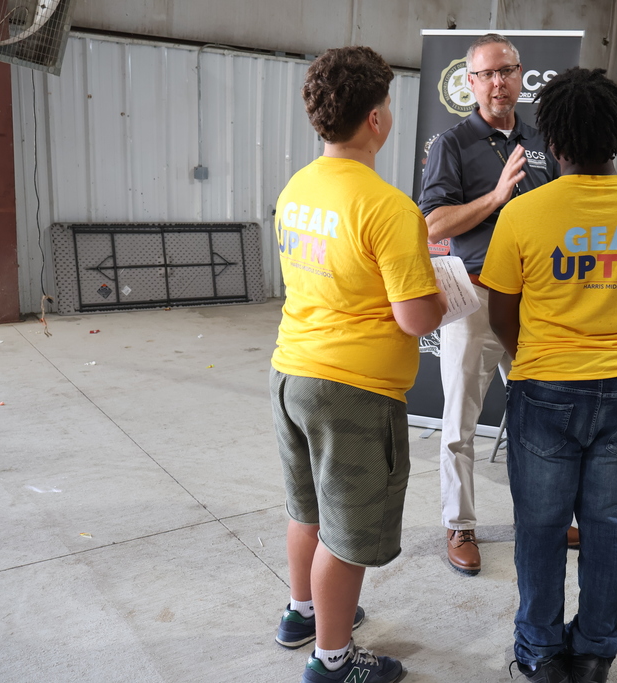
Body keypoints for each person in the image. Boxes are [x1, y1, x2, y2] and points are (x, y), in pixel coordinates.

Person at [480, 67, 617, 683]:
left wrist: (537, 359)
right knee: (608, 526)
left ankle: (540, 654)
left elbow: (501, 313)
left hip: (544, 388)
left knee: (540, 528)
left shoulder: (523, 214)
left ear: (553, 138)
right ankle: (594, 653)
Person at [269, 46, 447, 683]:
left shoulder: (298, 187)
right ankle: (333, 660)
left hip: (292, 371)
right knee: (346, 536)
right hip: (353, 391)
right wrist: (439, 288)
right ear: (375, 119)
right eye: (388, 105)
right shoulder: (388, 207)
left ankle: (302, 613)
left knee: (306, 509)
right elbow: (416, 318)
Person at [417, 33, 563, 576]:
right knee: (460, 422)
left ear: (521, 74)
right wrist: (496, 197)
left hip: (533, 301)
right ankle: (459, 524)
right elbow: (433, 224)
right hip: (476, 295)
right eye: (486, 74)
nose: (498, 82)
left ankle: (545, 518)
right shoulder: (452, 144)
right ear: (470, 82)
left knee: (542, 417)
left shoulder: (541, 141)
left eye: (506, 71)